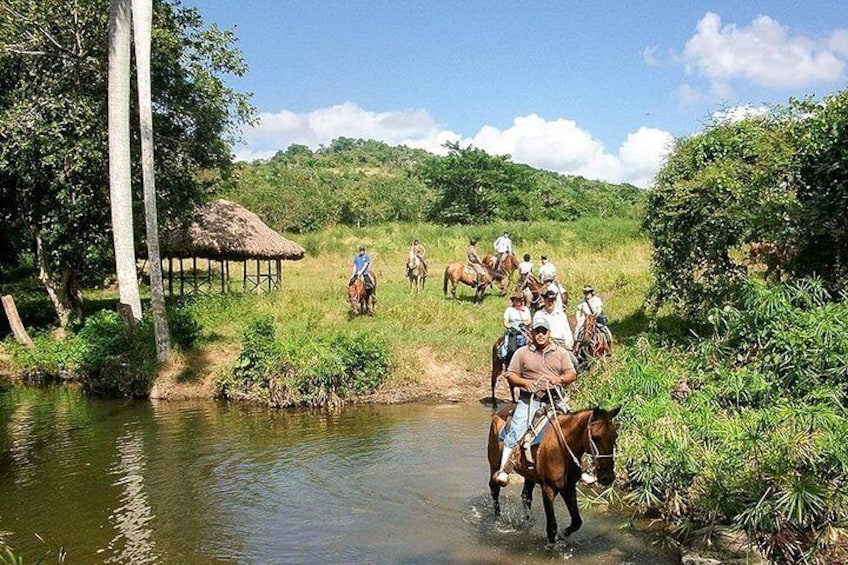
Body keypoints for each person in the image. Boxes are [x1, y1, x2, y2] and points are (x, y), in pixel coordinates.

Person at [493, 316, 577, 487]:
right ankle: (503, 469)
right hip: (529, 400)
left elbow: (572, 374)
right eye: (537, 331)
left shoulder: (560, 353)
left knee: (575, 428)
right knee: (517, 429)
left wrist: (560, 380)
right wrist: (525, 383)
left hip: (554, 399)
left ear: (548, 333)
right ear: (531, 333)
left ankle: (578, 470)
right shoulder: (522, 353)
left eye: (543, 331)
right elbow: (510, 374)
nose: (540, 335)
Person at [533, 289, 578, 369]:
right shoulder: (539, 314)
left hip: (561, 344)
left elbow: (566, 331)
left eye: (552, 301)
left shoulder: (561, 314)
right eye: (548, 300)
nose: (550, 303)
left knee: (574, 362)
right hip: (543, 343)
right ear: (544, 301)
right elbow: (535, 331)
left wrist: (569, 344)